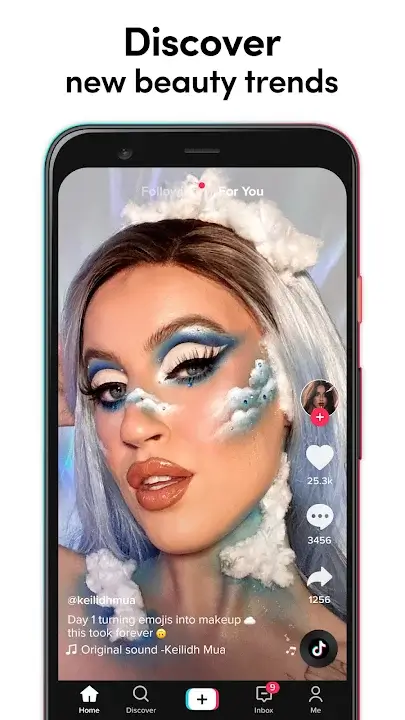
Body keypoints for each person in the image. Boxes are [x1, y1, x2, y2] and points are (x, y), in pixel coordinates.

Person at [58, 170, 347, 681]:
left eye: (190, 366)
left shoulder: (360, 674)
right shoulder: (48, 599)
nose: (135, 427)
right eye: (109, 389)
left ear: (289, 384)